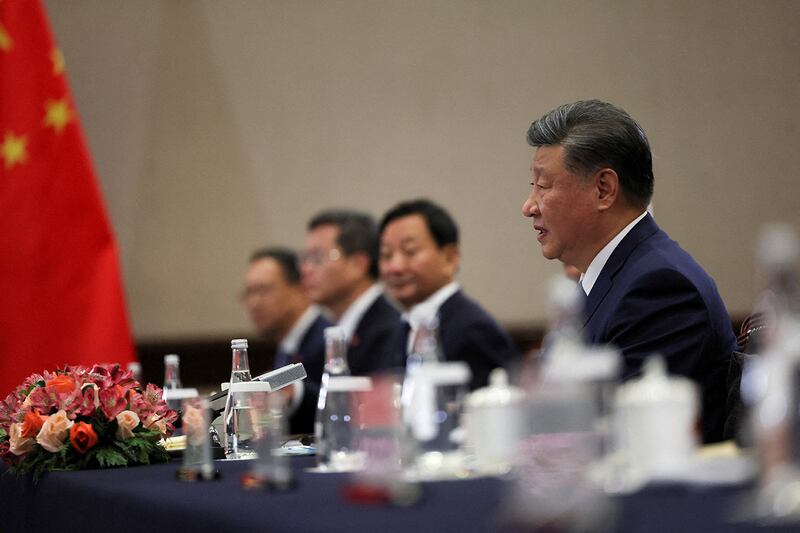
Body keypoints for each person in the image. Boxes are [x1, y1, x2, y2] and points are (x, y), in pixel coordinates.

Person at [522, 99, 737, 443]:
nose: (528, 206)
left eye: (542, 186)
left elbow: (617, 436)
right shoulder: (607, 277)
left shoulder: (660, 287)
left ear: (604, 189)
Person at [379, 199, 520, 390]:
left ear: (450, 258)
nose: (395, 267)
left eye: (409, 251)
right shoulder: (401, 327)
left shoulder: (473, 328)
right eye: (386, 255)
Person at [300, 210, 403, 375]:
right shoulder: (332, 331)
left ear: (358, 264)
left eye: (317, 257)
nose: (305, 269)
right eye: (305, 258)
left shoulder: (388, 331)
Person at [241, 247, 330, 434]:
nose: (254, 303)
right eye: (249, 292)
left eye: (263, 290)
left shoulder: (326, 339)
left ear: (301, 288)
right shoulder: (288, 343)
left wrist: (293, 392)